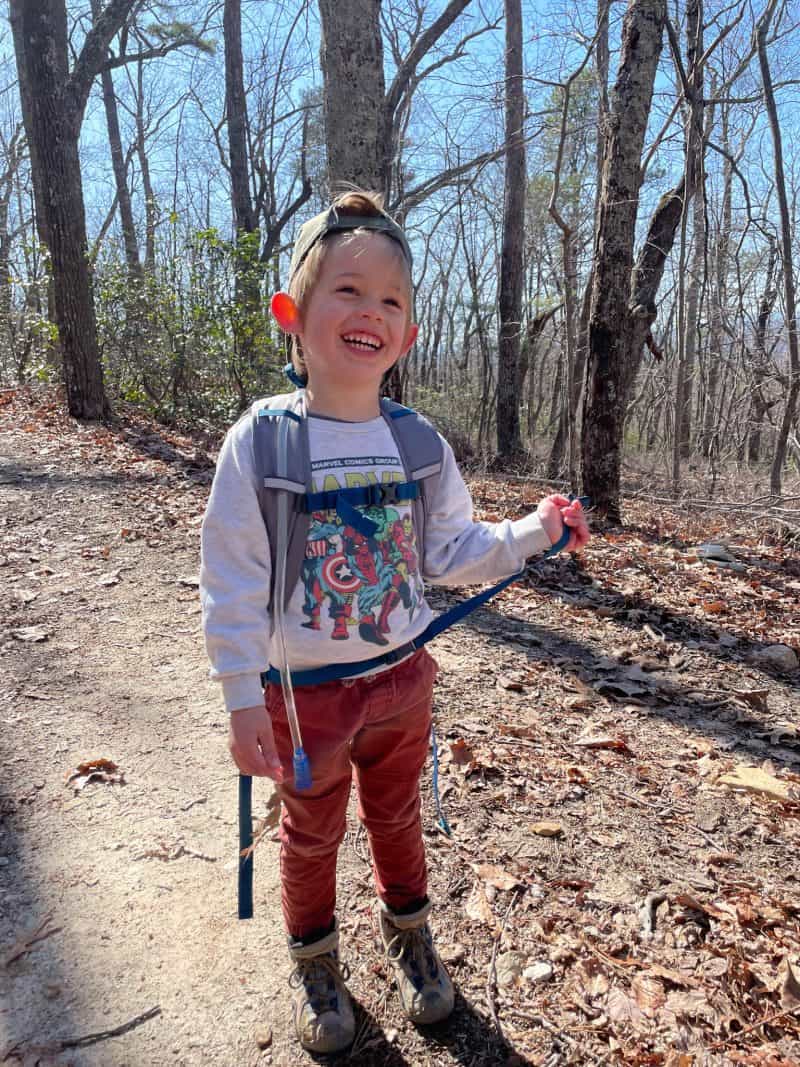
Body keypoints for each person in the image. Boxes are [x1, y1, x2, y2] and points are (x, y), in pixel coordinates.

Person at [200, 190, 590, 1055]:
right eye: (347, 290)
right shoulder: (263, 443)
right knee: (311, 833)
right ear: (291, 312)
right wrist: (240, 696)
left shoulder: (418, 444)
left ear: (407, 335)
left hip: (403, 686)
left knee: (397, 815)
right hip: (303, 697)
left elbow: (454, 549)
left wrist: (535, 531)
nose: (369, 310)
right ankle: (314, 958)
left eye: (391, 299)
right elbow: (230, 577)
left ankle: (410, 932)